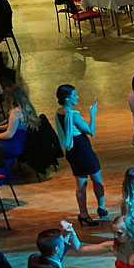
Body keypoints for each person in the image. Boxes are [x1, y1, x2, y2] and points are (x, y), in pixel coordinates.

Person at [55, 85, 108, 224]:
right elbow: (91, 131)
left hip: (72, 152)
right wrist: (93, 113)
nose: (77, 97)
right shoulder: (73, 115)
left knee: (81, 184)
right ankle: (101, 207)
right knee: (97, 180)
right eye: (74, 95)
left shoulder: (59, 112)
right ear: (67, 98)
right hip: (83, 150)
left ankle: (83, 214)